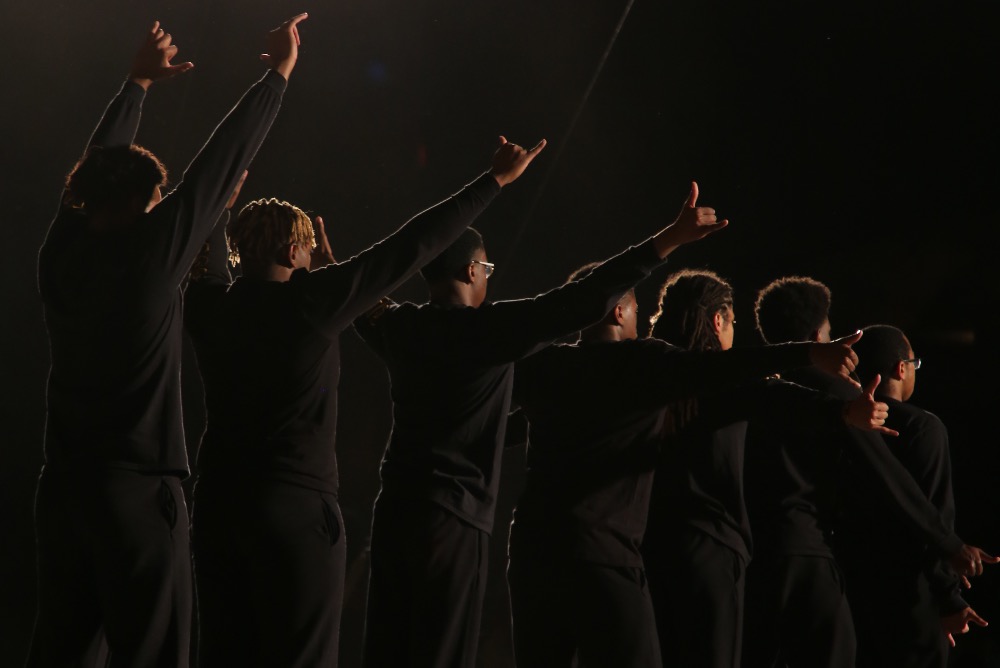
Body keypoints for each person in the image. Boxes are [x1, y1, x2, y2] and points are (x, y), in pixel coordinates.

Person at [184, 137, 545, 667]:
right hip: (295, 514)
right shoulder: (312, 300)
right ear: (292, 252)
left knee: (224, 652)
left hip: (217, 506)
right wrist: (493, 183)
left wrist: (220, 202)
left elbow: (206, 257)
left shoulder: (210, 305)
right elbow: (411, 246)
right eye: (305, 252)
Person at [354, 182, 727, 667]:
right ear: (471, 270)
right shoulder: (487, 332)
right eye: (486, 267)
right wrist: (666, 241)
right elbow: (578, 299)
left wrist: (334, 271)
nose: (489, 276)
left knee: (386, 652)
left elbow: (363, 309)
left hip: (394, 512)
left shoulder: (402, 327)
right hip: (451, 522)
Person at [30, 15, 304, 667]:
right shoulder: (150, 256)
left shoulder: (59, 258)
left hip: (64, 492)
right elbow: (222, 158)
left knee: (61, 651)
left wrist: (135, 88)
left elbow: (87, 183)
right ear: (136, 205)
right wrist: (278, 77)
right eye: (156, 200)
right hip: (137, 494)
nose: (164, 208)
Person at [506, 265, 880, 668]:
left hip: (540, 548)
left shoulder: (547, 366)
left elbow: (498, 423)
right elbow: (752, 383)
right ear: (618, 312)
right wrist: (829, 388)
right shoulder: (646, 365)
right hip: (634, 553)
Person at [639, 269, 892, 668]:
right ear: (717, 320)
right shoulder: (722, 381)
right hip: (711, 549)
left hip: (649, 550)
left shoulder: (647, 378)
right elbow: (772, 394)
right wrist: (844, 408)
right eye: (733, 321)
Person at [742, 276, 997, 668]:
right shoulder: (842, 397)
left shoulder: (752, 390)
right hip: (811, 556)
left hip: (751, 557)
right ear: (816, 335)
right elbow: (891, 479)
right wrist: (950, 546)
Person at [841, 324, 989, 666]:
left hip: (852, 591)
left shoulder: (841, 423)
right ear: (901, 367)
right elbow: (933, 518)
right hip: (911, 596)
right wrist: (949, 599)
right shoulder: (923, 427)